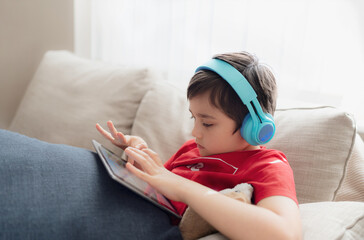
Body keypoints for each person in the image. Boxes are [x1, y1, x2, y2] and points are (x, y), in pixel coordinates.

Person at [96, 52, 302, 240]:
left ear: (254, 127)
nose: (195, 132)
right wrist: (138, 156)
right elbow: (158, 196)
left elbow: (284, 234)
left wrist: (183, 188)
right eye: (193, 117)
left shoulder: (268, 166)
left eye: (207, 123)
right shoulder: (190, 150)